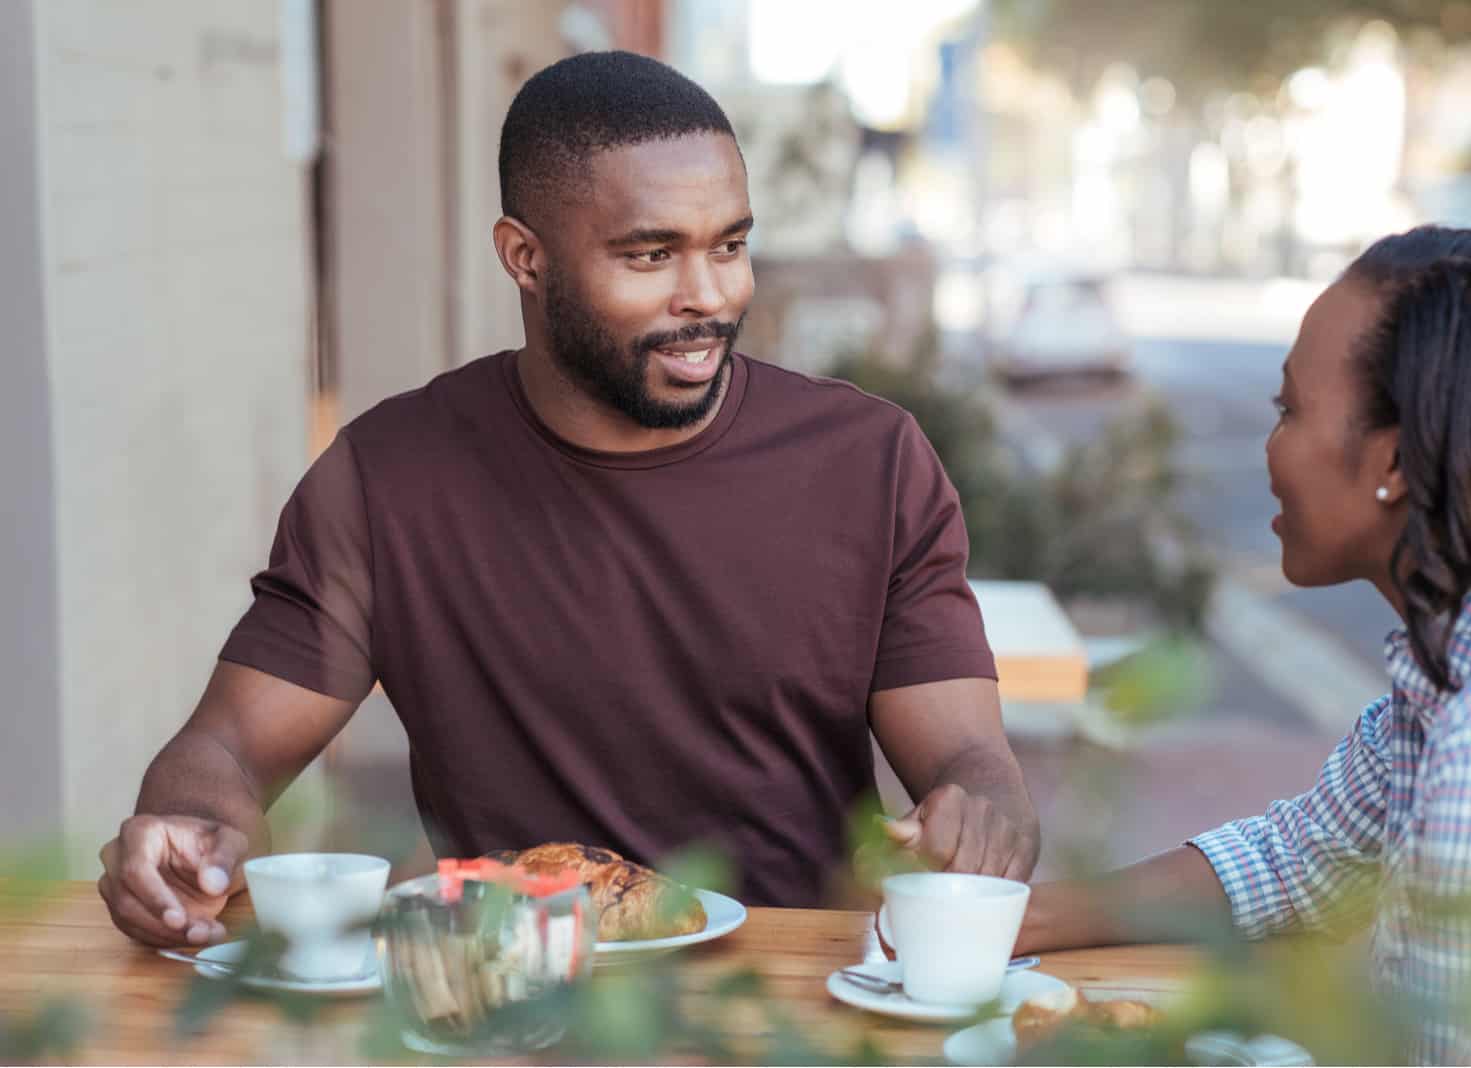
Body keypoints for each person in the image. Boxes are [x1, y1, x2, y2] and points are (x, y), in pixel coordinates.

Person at [98, 51, 1038, 949]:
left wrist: (983, 818)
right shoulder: (386, 478)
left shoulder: (869, 463)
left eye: (731, 245)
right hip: (515, 999)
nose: (707, 296)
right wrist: (189, 835)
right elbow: (222, 750)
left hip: (800, 993)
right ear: (525, 258)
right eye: (650, 255)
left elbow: (972, 767)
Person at [1017, 226, 1471, 1062]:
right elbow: (1295, 862)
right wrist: (1009, 919)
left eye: (1289, 409)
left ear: (1394, 459)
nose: (1271, 447)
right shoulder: (1451, 675)